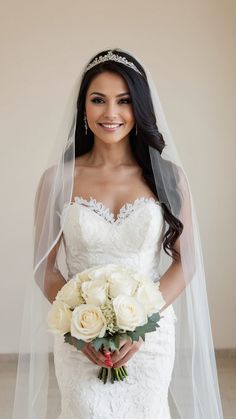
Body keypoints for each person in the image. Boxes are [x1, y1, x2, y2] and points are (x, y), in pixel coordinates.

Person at [12, 48, 224, 419]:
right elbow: (43, 268)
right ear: (83, 108)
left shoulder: (168, 177)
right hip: (80, 339)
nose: (110, 113)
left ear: (138, 108)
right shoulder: (57, 180)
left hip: (150, 339)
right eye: (98, 100)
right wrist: (82, 328)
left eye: (124, 101)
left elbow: (186, 261)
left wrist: (140, 325)